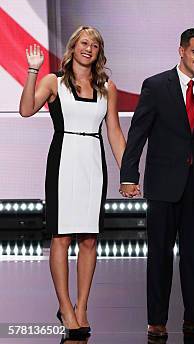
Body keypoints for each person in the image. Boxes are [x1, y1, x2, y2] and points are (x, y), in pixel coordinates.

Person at [19, 26, 126, 339]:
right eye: (83, 43)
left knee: (90, 239)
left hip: (93, 163)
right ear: (73, 47)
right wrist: (32, 71)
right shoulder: (55, 81)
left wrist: (127, 172)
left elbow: (115, 133)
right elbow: (26, 110)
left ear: (98, 52)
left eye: (94, 45)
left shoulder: (107, 86)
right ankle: (65, 306)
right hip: (64, 161)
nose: (88, 49)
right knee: (62, 237)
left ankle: (82, 307)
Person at [119, 28, 194, 339]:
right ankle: (157, 319)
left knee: (193, 253)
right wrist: (129, 175)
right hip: (164, 184)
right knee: (160, 254)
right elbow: (138, 133)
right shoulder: (155, 86)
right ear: (181, 51)